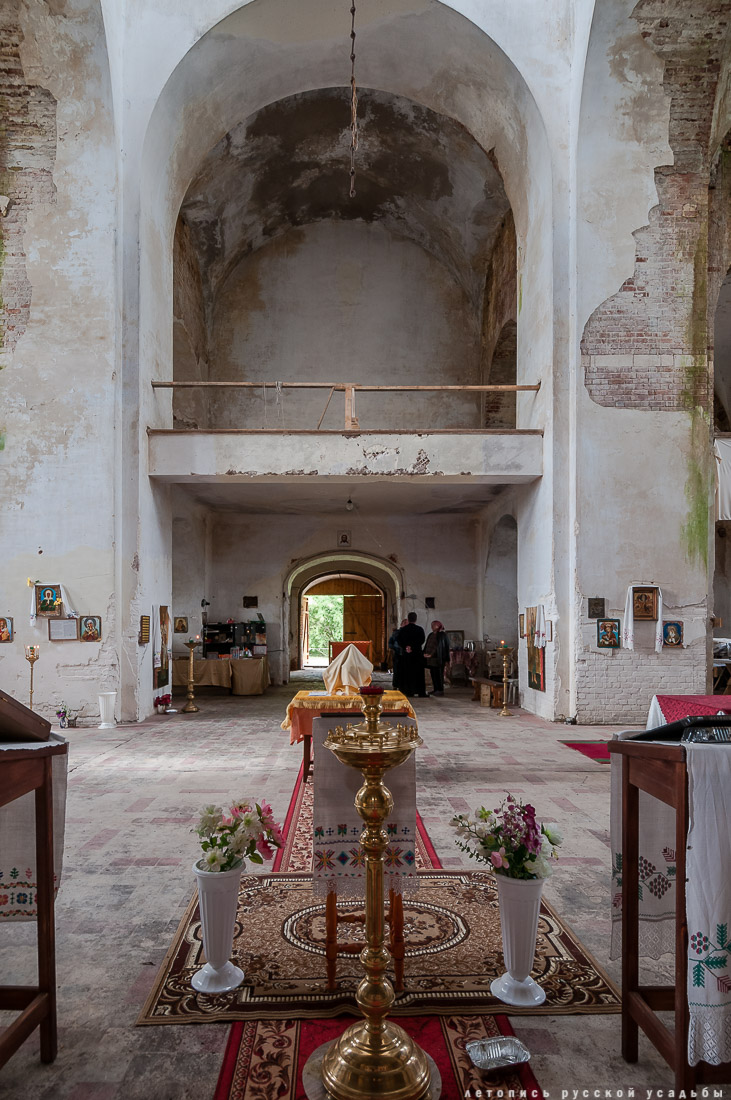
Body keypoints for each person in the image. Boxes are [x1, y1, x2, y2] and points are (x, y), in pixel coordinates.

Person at [396, 612, 427, 698]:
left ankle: (409, 691)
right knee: (418, 673)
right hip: (417, 654)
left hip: (407, 655)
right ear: (416, 619)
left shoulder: (403, 630)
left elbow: (399, 640)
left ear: (408, 619)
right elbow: (422, 640)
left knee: (407, 673)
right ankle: (420, 692)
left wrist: (406, 647)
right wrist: (413, 647)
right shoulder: (419, 629)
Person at [423, 620, 450, 695]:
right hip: (430, 659)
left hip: (438, 659)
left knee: (439, 674)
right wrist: (424, 653)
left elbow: (438, 647)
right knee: (433, 674)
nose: (432, 626)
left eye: (433, 625)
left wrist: (431, 654)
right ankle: (435, 689)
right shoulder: (431, 634)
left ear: (438, 626)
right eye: (432, 625)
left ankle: (440, 690)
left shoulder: (442, 635)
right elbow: (427, 644)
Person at [389, 618, 408, 691]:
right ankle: (395, 684)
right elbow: (390, 643)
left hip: (405, 654)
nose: (406, 624)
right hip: (397, 654)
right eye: (405, 623)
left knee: (404, 670)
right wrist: (395, 648)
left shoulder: (408, 632)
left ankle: (403, 685)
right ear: (401, 624)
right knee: (397, 670)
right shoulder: (396, 633)